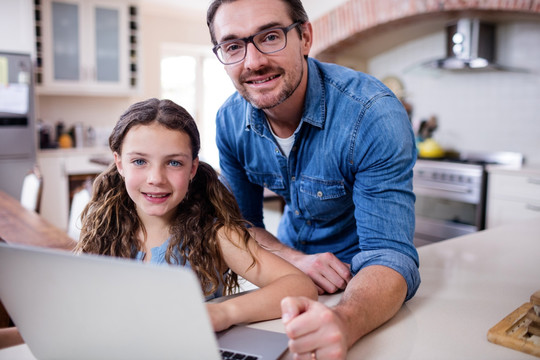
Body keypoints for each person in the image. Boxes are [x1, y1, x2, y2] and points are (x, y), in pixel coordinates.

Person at [206, 0, 420, 358]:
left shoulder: (371, 114)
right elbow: (240, 224)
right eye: (233, 46)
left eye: (270, 36)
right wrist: (296, 260)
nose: (253, 61)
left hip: (361, 284)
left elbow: (388, 254)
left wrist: (344, 321)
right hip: (287, 274)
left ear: (305, 37)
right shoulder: (230, 121)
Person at [74, 98, 316, 332]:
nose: (156, 178)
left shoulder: (215, 235)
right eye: (139, 161)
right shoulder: (105, 229)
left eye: (174, 163)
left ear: (192, 168)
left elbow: (300, 286)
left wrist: (225, 313)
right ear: (119, 164)